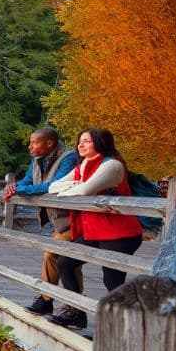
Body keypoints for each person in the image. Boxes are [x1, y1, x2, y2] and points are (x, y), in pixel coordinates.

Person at [45, 128, 145, 329]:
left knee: (113, 281)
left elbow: (84, 190)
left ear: (100, 143)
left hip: (120, 234)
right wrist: (75, 186)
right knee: (65, 262)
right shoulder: (82, 166)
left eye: (87, 141)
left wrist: (75, 187)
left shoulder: (112, 165)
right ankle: (76, 313)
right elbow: (52, 187)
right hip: (95, 232)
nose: (80, 145)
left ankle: (115, 329)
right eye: (80, 141)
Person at [1, 127, 80, 314]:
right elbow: (27, 181)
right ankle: (72, 307)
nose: (30, 147)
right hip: (57, 221)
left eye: (34, 143)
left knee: (55, 255)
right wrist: (14, 187)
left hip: (73, 218)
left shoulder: (69, 157)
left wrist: (20, 190)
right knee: (68, 260)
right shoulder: (37, 159)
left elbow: (55, 185)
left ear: (49, 144)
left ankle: (51, 301)